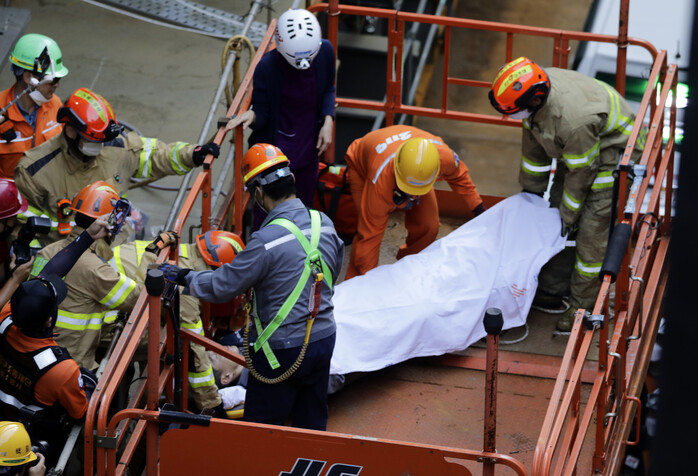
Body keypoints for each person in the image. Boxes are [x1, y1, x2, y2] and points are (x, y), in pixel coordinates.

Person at [158, 143, 344, 430]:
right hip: (323, 339)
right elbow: (332, 267)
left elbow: (221, 287)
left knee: (261, 429)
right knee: (312, 419)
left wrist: (182, 276)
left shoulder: (265, 241)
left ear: (258, 193)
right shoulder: (326, 224)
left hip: (281, 351)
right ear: (291, 180)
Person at [488, 56, 644, 332]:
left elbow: (583, 172)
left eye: (513, 112)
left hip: (614, 155)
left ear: (535, 101)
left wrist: (569, 215)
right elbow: (534, 154)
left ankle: (584, 306)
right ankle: (552, 287)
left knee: (590, 234)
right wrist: (531, 197)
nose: (511, 117)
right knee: (554, 217)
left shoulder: (573, 121)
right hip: (581, 150)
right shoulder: (534, 98)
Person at [14, 87, 219, 244]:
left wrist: (192, 154)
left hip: (117, 245)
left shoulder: (115, 148)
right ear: (70, 132)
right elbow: (22, 229)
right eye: (94, 141)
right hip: (69, 258)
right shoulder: (34, 171)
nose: (100, 147)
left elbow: (156, 156)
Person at [109, 230, 246, 414]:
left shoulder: (178, 253)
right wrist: (211, 403)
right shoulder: (186, 289)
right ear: (217, 271)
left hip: (98, 301)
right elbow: (196, 348)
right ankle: (141, 409)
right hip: (107, 320)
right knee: (169, 344)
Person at [0, 215, 111, 441]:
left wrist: (88, 235)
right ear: (49, 320)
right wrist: (87, 384)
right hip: (31, 440)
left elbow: (49, 273)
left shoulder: (6, 319)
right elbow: (81, 414)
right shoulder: (60, 369)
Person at [226, 8, 336, 225]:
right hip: (274, 154)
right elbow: (264, 113)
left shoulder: (325, 52)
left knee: (302, 208)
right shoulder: (267, 67)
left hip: (308, 146)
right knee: (268, 217)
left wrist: (328, 119)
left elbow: (328, 90)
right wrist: (252, 115)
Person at [344, 124, 486, 279]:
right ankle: (354, 283)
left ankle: (408, 269)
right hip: (362, 165)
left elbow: (462, 180)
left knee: (429, 226)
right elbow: (371, 236)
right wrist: (367, 282)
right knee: (366, 230)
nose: (412, 194)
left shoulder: (443, 158)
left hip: (412, 174)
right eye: (409, 189)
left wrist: (482, 213)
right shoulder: (380, 179)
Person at [29, 181, 140, 369]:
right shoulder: (95, 268)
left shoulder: (47, 251)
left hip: (36, 351)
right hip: (72, 364)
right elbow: (138, 299)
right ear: (109, 223)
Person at [0, 34, 69, 180]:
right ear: (28, 78)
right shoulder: (2, 109)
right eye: (53, 80)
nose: (57, 85)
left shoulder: (55, 105)